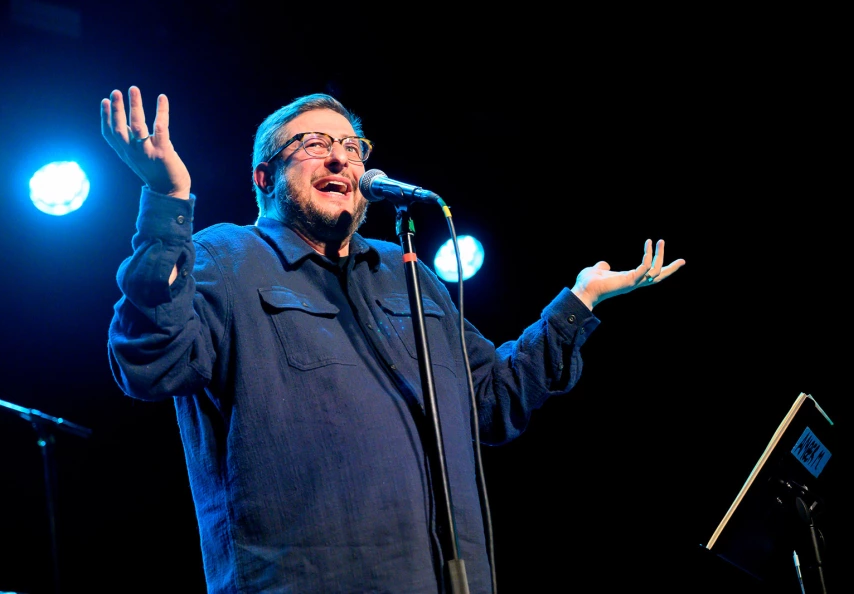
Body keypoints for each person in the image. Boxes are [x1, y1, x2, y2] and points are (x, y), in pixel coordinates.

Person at [101, 85, 685, 594]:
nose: (339, 156)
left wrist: (579, 302)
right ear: (264, 177)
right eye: (312, 143)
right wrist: (167, 202)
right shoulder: (223, 256)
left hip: (448, 578)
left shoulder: (406, 271)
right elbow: (151, 363)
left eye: (352, 147)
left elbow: (493, 400)